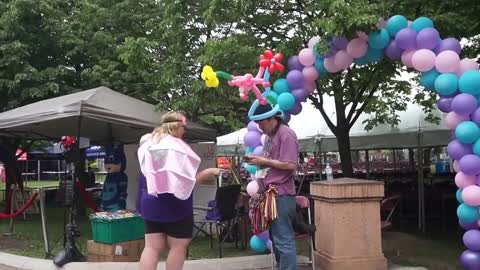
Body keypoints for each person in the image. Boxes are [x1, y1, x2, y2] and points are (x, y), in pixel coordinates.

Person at [136, 111, 222, 270]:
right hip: (175, 207)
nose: (185, 131)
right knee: (178, 247)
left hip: (150, 203)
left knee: (151, 248)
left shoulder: (148, 145)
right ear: (176, 126)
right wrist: (208, 172)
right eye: (184, 127)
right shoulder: (177, 147)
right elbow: (184, 182)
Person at [246, 103, 299, 270]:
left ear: (271, 118)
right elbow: (269, 164)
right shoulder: (269, 137)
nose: (260, 127)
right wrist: (257, 162)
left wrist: (264, 161)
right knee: (276, 240)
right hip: (269, 194)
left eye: (261, 123)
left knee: (284, 240)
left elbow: (291, 165)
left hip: (281, 194)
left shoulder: (286, 134)